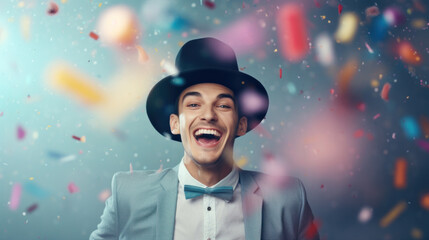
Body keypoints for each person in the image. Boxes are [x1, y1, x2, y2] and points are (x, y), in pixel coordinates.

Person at [90, 37, 319, 240]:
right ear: (175, 124)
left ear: (241, 124)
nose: (208, 115)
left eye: (222, 105)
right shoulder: (128, 195)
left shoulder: (289, 199)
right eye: (193, 104)